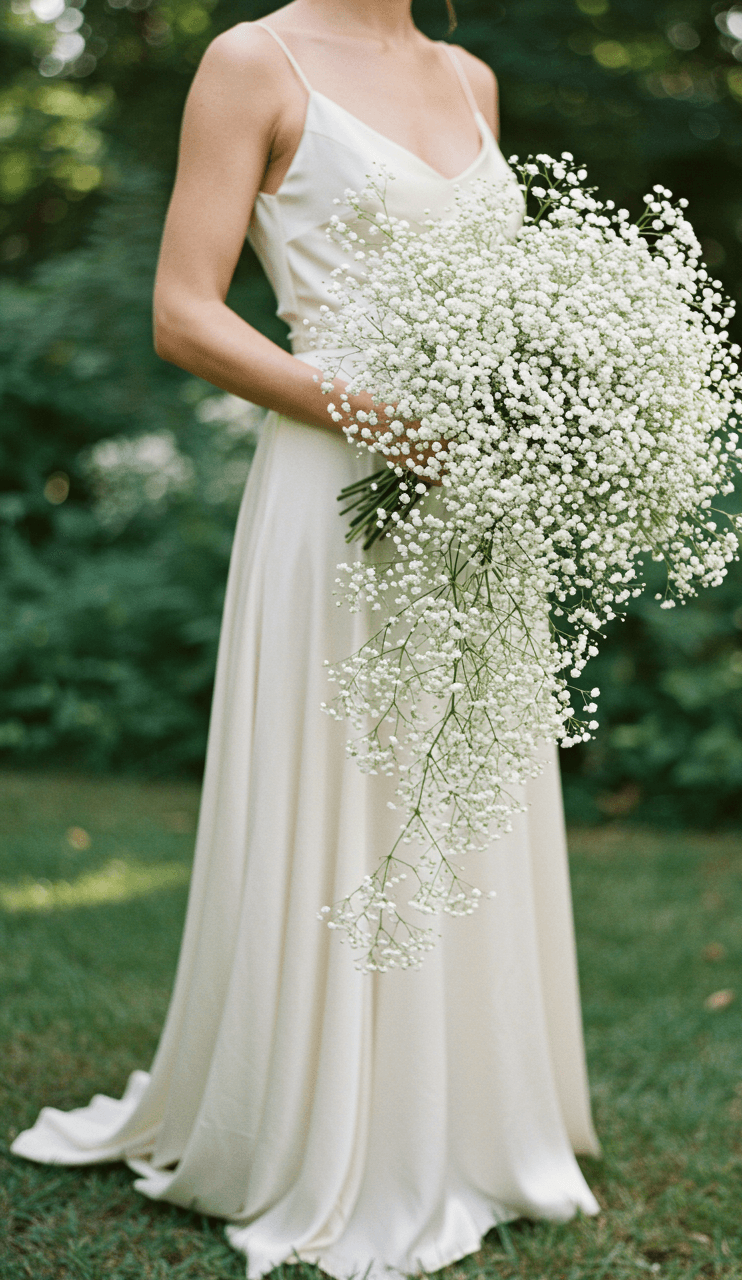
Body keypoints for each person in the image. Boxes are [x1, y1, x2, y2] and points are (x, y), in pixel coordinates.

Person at [11, 3, 599, 1276]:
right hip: (337, 500)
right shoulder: (249, 62)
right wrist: (386, 418)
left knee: (461, 799)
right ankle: (323, 1122)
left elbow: (498, 299)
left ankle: (465, 1118)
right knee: (349, 797)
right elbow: (184, 311)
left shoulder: (468, 77)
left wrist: (548, 400)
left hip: (477, 513)